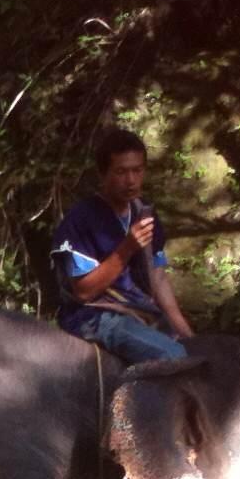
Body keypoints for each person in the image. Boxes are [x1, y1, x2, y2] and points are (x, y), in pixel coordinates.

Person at [50, 127, 195, 363]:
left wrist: (186, 332)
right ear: (103, 173)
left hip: (139, 312)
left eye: (137, 170)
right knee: (172, 355)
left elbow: (157, 276)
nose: (131, 181)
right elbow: (84, 291)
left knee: (191, 350)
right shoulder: (80, 219)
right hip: (94, 316)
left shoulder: (145, 213)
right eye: (121, 172)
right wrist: (127, 247)